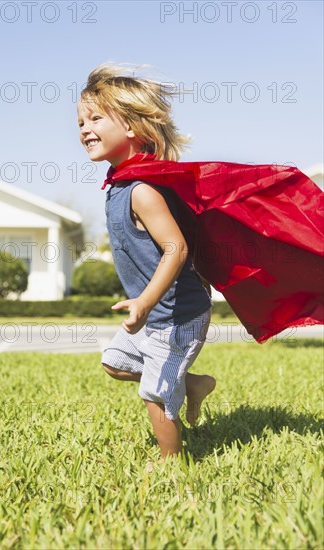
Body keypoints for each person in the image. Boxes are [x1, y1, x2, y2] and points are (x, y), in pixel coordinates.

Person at [77, 63, 216, 462]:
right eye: (81, 121)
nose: (84, 128)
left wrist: (144, 302)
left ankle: (172, 467)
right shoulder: (118, 186)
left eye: (96, 118)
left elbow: (177, 248)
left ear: (134, 127)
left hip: (177, 314)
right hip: (155, 313)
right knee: (116, 362)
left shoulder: (141, 190)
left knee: (155, 391)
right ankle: (193, 383)